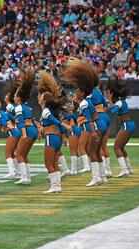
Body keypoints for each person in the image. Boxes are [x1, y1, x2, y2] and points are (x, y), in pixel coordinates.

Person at [62, 58, 105, 187]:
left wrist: (94, 132)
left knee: (91, 152)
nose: (75, 93)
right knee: (96, 152)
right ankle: (102, 177)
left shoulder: (85, 103)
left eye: (77, 91)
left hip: (96, 126)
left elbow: (90, 119)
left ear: (82, 93)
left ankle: (96, 178)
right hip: (100, 124)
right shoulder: (86, 102)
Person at [37, 72, 72, 193]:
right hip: (56, 138)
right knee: (55, 163)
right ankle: (57, 186)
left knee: (48, 163)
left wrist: (65, 125)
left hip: (51, 138)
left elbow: (54, 120)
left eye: (41, 97)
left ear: (45, 101)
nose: (39, 97)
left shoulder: (46, 110)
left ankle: (54, 186)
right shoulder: (48, 110)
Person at [105, 76, 135, 177]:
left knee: (116, 147)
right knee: (121, 147)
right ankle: (129, 168)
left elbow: (112, 111)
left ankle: (124, 170)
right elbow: (111, 107)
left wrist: (109, 99)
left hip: (126, 125)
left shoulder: (118, 102)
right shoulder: (121, 101)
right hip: (129, 124)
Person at [13, 71, 37, 185]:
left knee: (19, 154)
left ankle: (24, 177)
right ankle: (28, 176)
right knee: (24, 154)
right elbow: (32, 120)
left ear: (19, 98)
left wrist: (24, 134)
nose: (14, 97)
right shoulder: (27, 107)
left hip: (27, 130)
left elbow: (21, 123)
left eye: (15, 96)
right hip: (33, 130)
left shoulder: (18, 108)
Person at [0, 89, 21, 179]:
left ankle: (11, 172)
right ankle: (17, 171)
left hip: (12, 132)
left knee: (7, 153)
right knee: (11, 153)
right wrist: (13, 123)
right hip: (15, 132)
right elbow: (13, 118)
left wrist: (7, 125)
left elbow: (3, 121)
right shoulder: (3, 112)